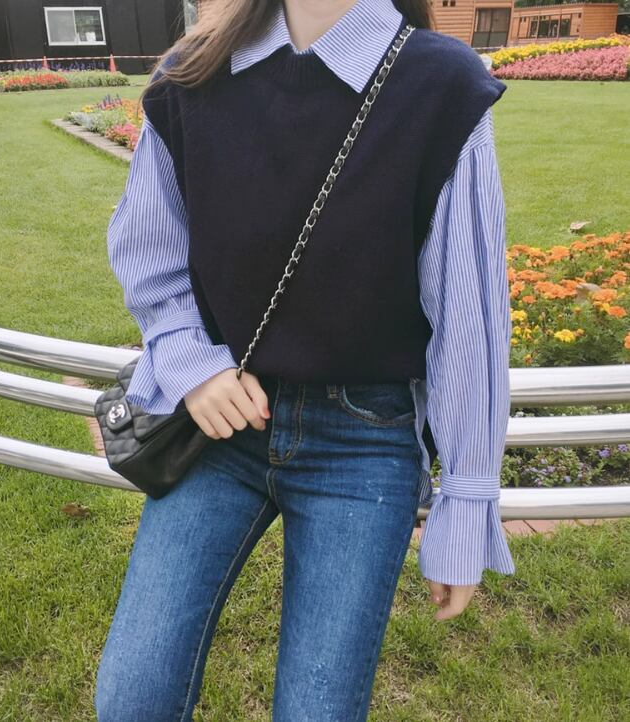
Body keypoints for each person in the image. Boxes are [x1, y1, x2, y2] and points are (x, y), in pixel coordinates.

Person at [95, 0, 516, 719]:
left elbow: (469, 317)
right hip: (218, 431)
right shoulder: (191, 74)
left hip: (364, 442)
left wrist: (467, 498)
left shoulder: (441, 84)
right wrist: (193, 363)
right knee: (134, 698)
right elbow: (149, 249)